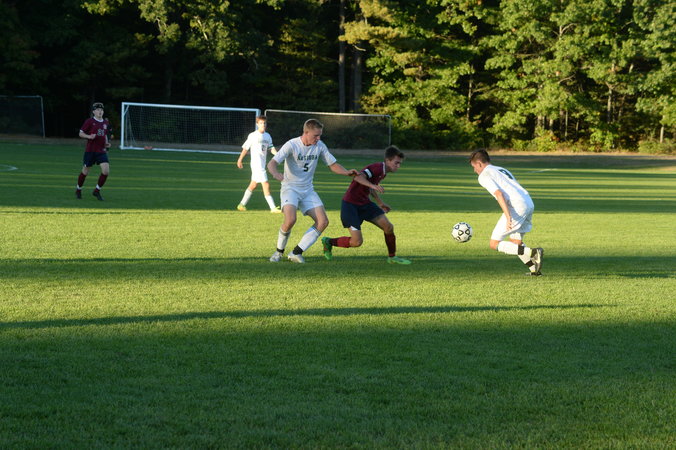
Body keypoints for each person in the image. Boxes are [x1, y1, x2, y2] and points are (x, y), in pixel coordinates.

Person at [267, 118, 358, 263]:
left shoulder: (320, 146)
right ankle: (278, 252)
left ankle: (296, 253)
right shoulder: (292, 145)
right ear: (306, 132)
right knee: (290, 220)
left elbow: (332, 165)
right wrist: (275, 174)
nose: (318, 138)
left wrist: (346, 172)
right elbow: (272, 163)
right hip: (290, 188)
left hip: (308, 190)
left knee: (323, 222)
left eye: (320, 135)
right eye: (316, 135)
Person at [321, 145, 411, 265]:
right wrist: (373, 185)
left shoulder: (383, 172)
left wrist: (380, 203)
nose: (398, 166)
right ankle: (328, 242)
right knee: (356, 242)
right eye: (396, 163)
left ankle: (392, 257)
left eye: (400, 163)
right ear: (388, 160)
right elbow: (358, 177)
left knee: (388, 227)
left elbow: (370, 186)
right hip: (350, 205)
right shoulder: (377, 168)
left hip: (365, 204)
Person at [469, 149, 543, 275]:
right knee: (516, 241)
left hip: (517, 206)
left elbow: (499, 194)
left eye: (474, 167)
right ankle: (534, 269)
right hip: (528, 202)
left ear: (479, 163)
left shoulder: (484, 175)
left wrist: (508, 217)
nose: (474, 170)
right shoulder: (500, 169)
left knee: (494, 243)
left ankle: (533, 252)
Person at [236, 116, 281, 213]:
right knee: (266, 184)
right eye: (261, 123)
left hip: (262, 163)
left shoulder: (267, 136)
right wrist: (240, 159)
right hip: (256, 164)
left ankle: (241, 204)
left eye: (264, 123)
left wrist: (278, 155)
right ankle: (273, 208)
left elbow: (271, 148)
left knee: (253, 185)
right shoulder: (253, 135)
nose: (263, 125)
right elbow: (245, 148)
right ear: (257, 124)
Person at [76, 102, 111, 200]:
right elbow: (80, 133)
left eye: (101, 110)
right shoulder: (89, 121)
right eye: (98, 110)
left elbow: (105, 135)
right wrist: (89, 136)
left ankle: (97, 191)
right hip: (90, 151)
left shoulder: (105, 122)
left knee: (106, 171)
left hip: (101, 151)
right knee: (85, 172)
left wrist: (106, 143)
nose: (100, 111)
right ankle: (78, 189)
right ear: (93, 112)